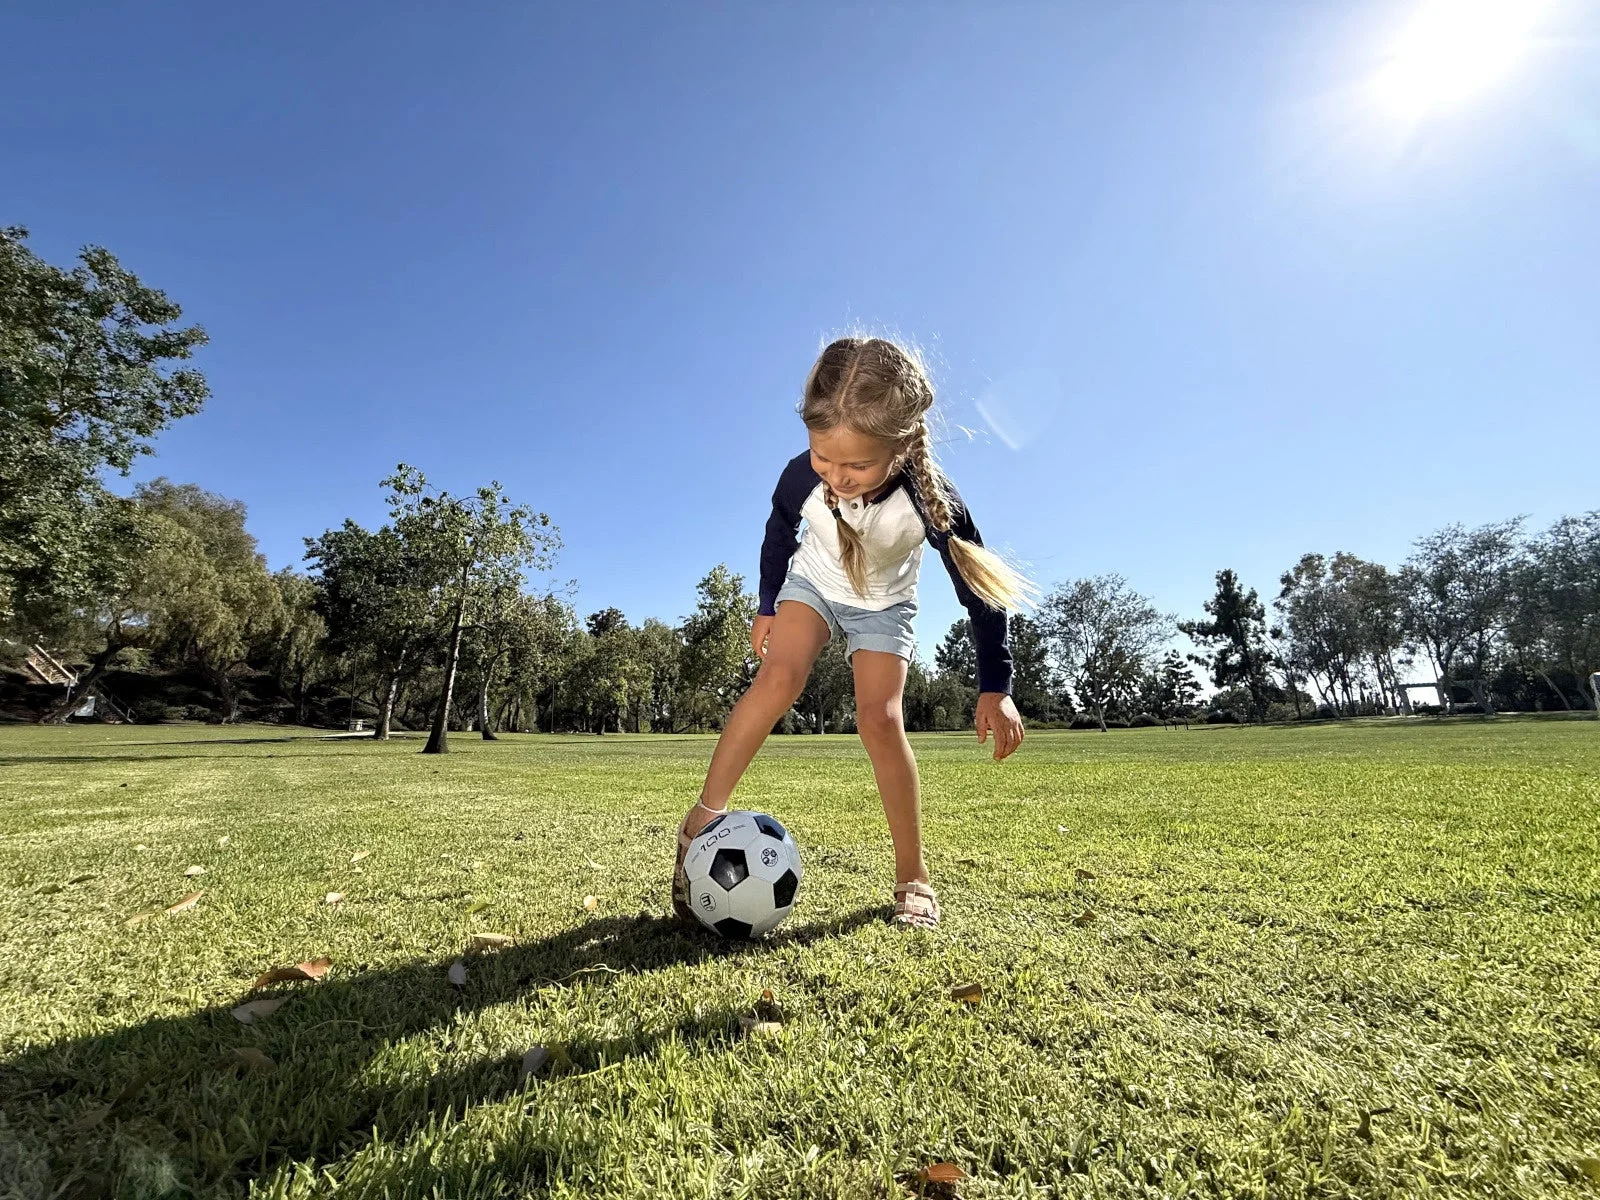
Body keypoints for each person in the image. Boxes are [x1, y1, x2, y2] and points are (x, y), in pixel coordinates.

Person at [673, 336, 1036, 931]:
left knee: (880, 720)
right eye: (823, 457)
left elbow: (979, 588)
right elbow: (778, 530)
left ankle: (913, 876)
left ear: (901, 447)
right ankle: (700, 821)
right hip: (813, 585)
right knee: (778, 679)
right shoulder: (800, 475)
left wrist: (996, 685)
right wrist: (768, 604)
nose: (836, 477)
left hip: (883, 605)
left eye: (857, 465)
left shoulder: (931, 500)